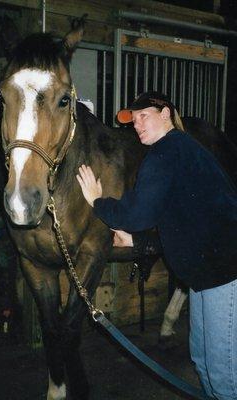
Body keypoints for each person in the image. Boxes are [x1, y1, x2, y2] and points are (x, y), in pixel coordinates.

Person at [76, 91, 237, 400]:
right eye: (133, 121)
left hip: (223, 271)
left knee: (223, 374)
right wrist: (137, 240)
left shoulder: (167, 151)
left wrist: (98, 201)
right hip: (204, 273)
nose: (137, 125)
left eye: (144, 116)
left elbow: (137, 214)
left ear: (166, 114)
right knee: (202, 362)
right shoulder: (178, 151)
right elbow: (183, 223)